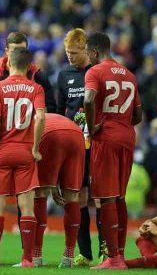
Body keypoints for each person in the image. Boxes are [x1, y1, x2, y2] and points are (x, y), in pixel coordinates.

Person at [0, 31, 56, 263]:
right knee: (27, 207)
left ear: (9, 62)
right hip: (25, 151)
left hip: (1, 151)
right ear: (29, 64)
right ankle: (28, 259)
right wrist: (35, 148)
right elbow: (41, 117)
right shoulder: (36, 88)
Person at [83, 31, 142, 270]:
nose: (87, 57)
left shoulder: (95, 72)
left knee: (105, 197)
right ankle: (120, 254)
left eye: (88, 52)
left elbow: (88, 100)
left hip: (105, 137)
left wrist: (91, 126)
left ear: (95, 51)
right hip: (127, 137)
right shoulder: (129, 74)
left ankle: (114, 258)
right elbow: (138, 114)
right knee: (119, 197)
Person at [55, 28, 103, 267]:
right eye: (67, 53)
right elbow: (59, 111)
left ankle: (107, 251)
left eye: (74, 53)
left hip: (99, 141)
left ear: (86, 49)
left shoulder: (97, 72)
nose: (70, 57)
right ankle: (85, 253)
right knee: (81, 196)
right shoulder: (64, 76)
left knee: (103, 196)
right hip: (76, 145)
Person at [33, 112, 85, 268]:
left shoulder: (25, 120)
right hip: (76, 134)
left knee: (40, 193)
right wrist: (54, 184)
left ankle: (36, 256)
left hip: (49, 134)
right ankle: (68, 257)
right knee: (72, 196)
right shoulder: (46, 114)